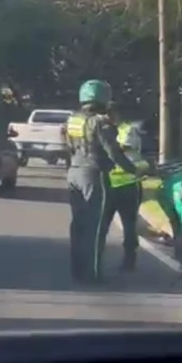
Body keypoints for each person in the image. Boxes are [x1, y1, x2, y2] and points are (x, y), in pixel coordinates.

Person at [65, 80, 146, 283]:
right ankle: (92, 274)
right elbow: (113, 152)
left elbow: (68, 147)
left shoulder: (73, 120)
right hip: (94, 174)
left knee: (78, 224)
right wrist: (134, 170)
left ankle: (77, 270)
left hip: (74, 172)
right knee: (95, 226)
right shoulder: (100, 122)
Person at [106, 108, 149, 271]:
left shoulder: (127, 130)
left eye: (109, 114)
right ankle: (95, 259)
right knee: (102, 224)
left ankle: (129, 259)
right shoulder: (104, 130)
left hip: (128, 184)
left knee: (129, 225)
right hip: (108, 184)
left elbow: (119, 150)